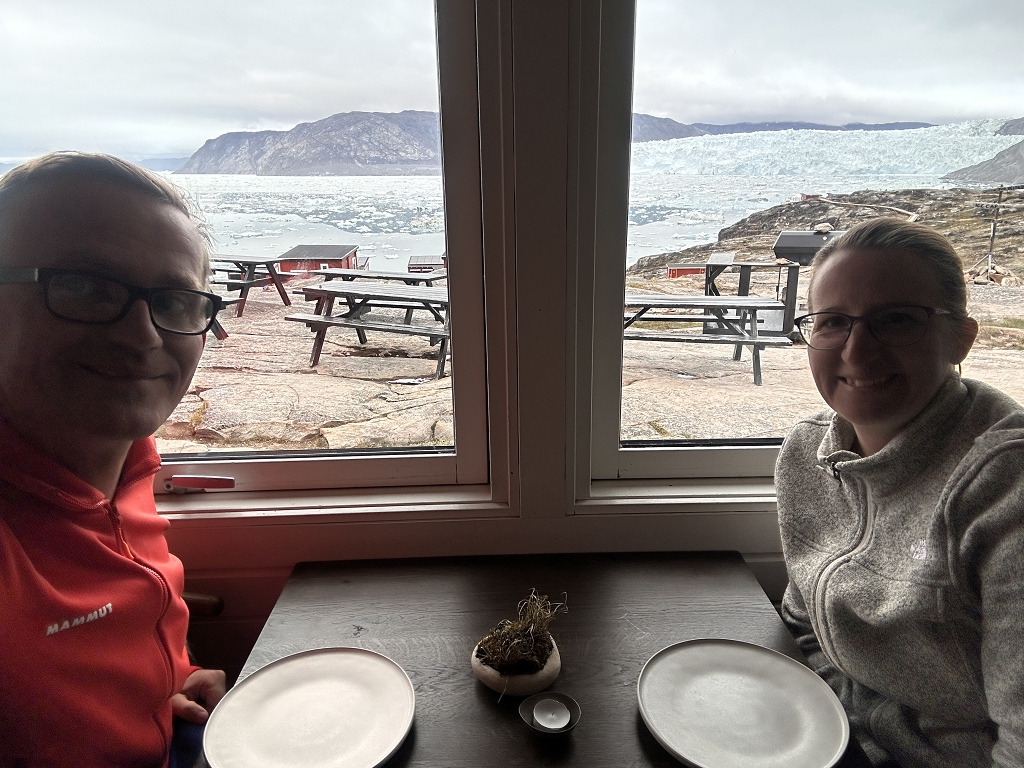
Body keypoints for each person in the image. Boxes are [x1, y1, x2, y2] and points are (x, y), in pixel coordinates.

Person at [0, 152, 227, 767]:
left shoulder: (129, 467)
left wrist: (167, 687)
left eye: (177, 300)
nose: (142, 335)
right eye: (84, 287)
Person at [776, 216, 1024, 767]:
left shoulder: (1007, 487)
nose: (858, 352)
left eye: (897, 321)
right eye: (833, 322)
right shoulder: (805, 455)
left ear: (961, 337)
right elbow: (802, 620)